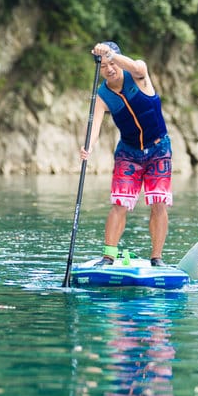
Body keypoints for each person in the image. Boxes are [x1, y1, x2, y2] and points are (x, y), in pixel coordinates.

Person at [79, 41, 173, 266]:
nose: (109, 69)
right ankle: (108, 256)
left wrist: (109, 54)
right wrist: (88, 146)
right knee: (119, 203)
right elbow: (95, 124)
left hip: (158, 148)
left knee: (158, 202)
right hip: (128, 153)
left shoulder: (138, 73)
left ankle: (156, 258)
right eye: (103, 66)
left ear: (119, 59)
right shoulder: (102, 94)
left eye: (112, 63)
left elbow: (138, 67)